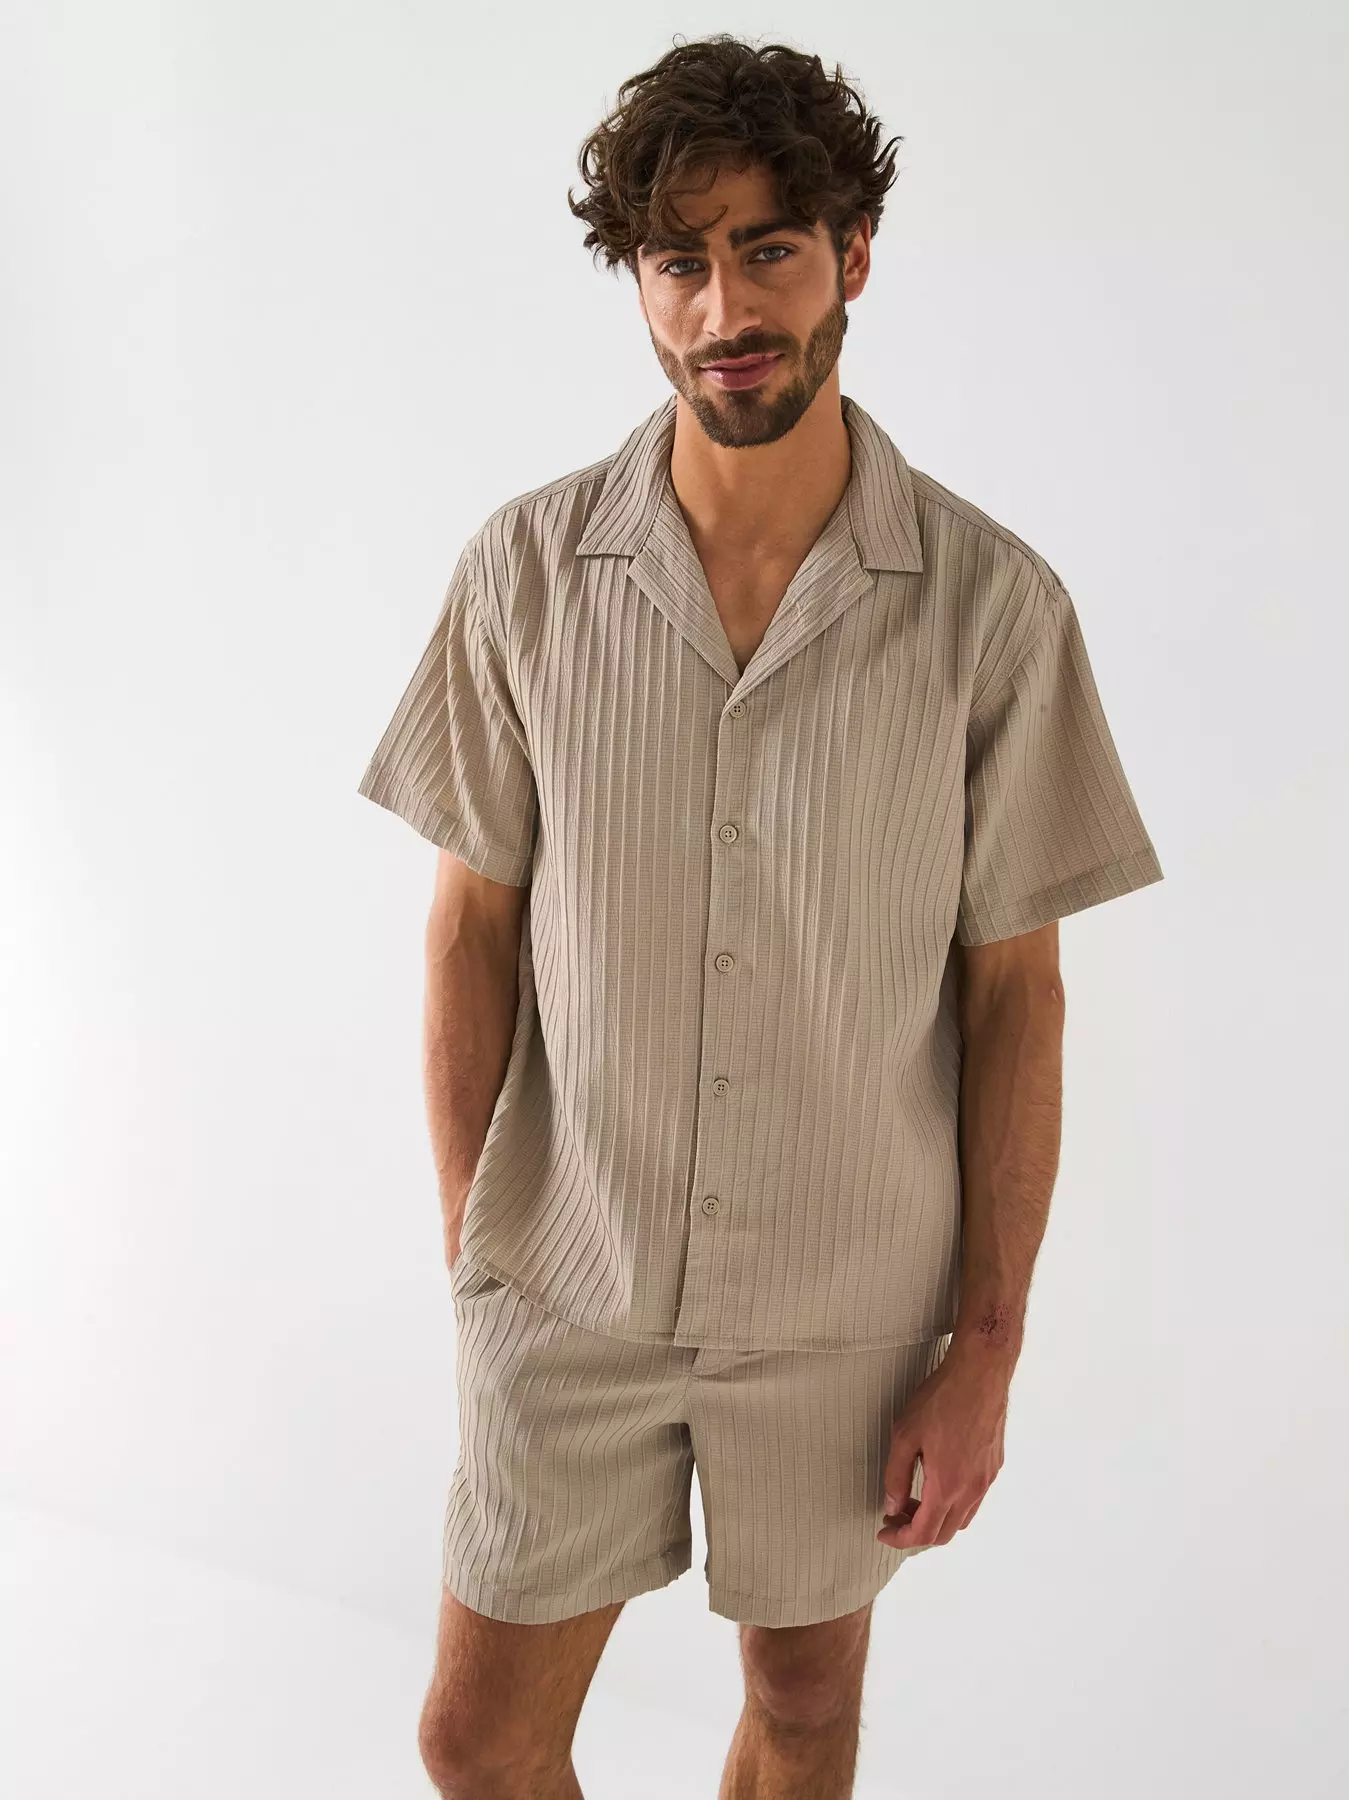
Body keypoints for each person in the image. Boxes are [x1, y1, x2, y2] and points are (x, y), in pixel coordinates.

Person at [356, 33, 1164, 1800]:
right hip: (565, 1284)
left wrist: (984, 1355)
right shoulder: (522, 575)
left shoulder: (992, 611)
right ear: (638, 283)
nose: (723, 308)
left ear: (851, 255)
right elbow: (467, 933)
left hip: (847, 1303)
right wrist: (477, 1253)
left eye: (768, 251)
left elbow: (1015, 1000)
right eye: (677, 261)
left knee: (802, 1699)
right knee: (476, 1739)